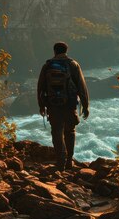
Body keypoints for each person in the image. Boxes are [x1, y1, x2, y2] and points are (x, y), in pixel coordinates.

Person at [37, 42, 89, 171]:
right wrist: (85, 106)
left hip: (53, 105)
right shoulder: (73, 65)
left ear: (54, 51)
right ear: (66, 51)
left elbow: (40, 87)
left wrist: (41, 105)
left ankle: (60, 162)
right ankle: (69, 161)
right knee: (69, 131)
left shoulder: (47, 65)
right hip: (69, 104)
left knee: (56, 132)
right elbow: (82, 87)